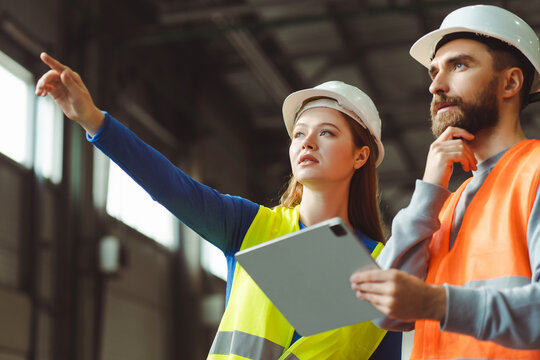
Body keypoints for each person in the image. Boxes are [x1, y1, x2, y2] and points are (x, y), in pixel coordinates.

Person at [35, 54, 402, 359]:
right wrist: (94, 120)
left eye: (326, 132)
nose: (306, 143)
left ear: (360, 156)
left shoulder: (384, 270)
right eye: (299, 133)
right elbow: (171, 187)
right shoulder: (250, 228)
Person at [349, 4, 540, 359]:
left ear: (510, 82)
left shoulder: (535, 170)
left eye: (459, 65)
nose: (436, 85)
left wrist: (438, 302)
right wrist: (427, 195)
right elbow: (383, 313)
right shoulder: (446, 205)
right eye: (433, 72)